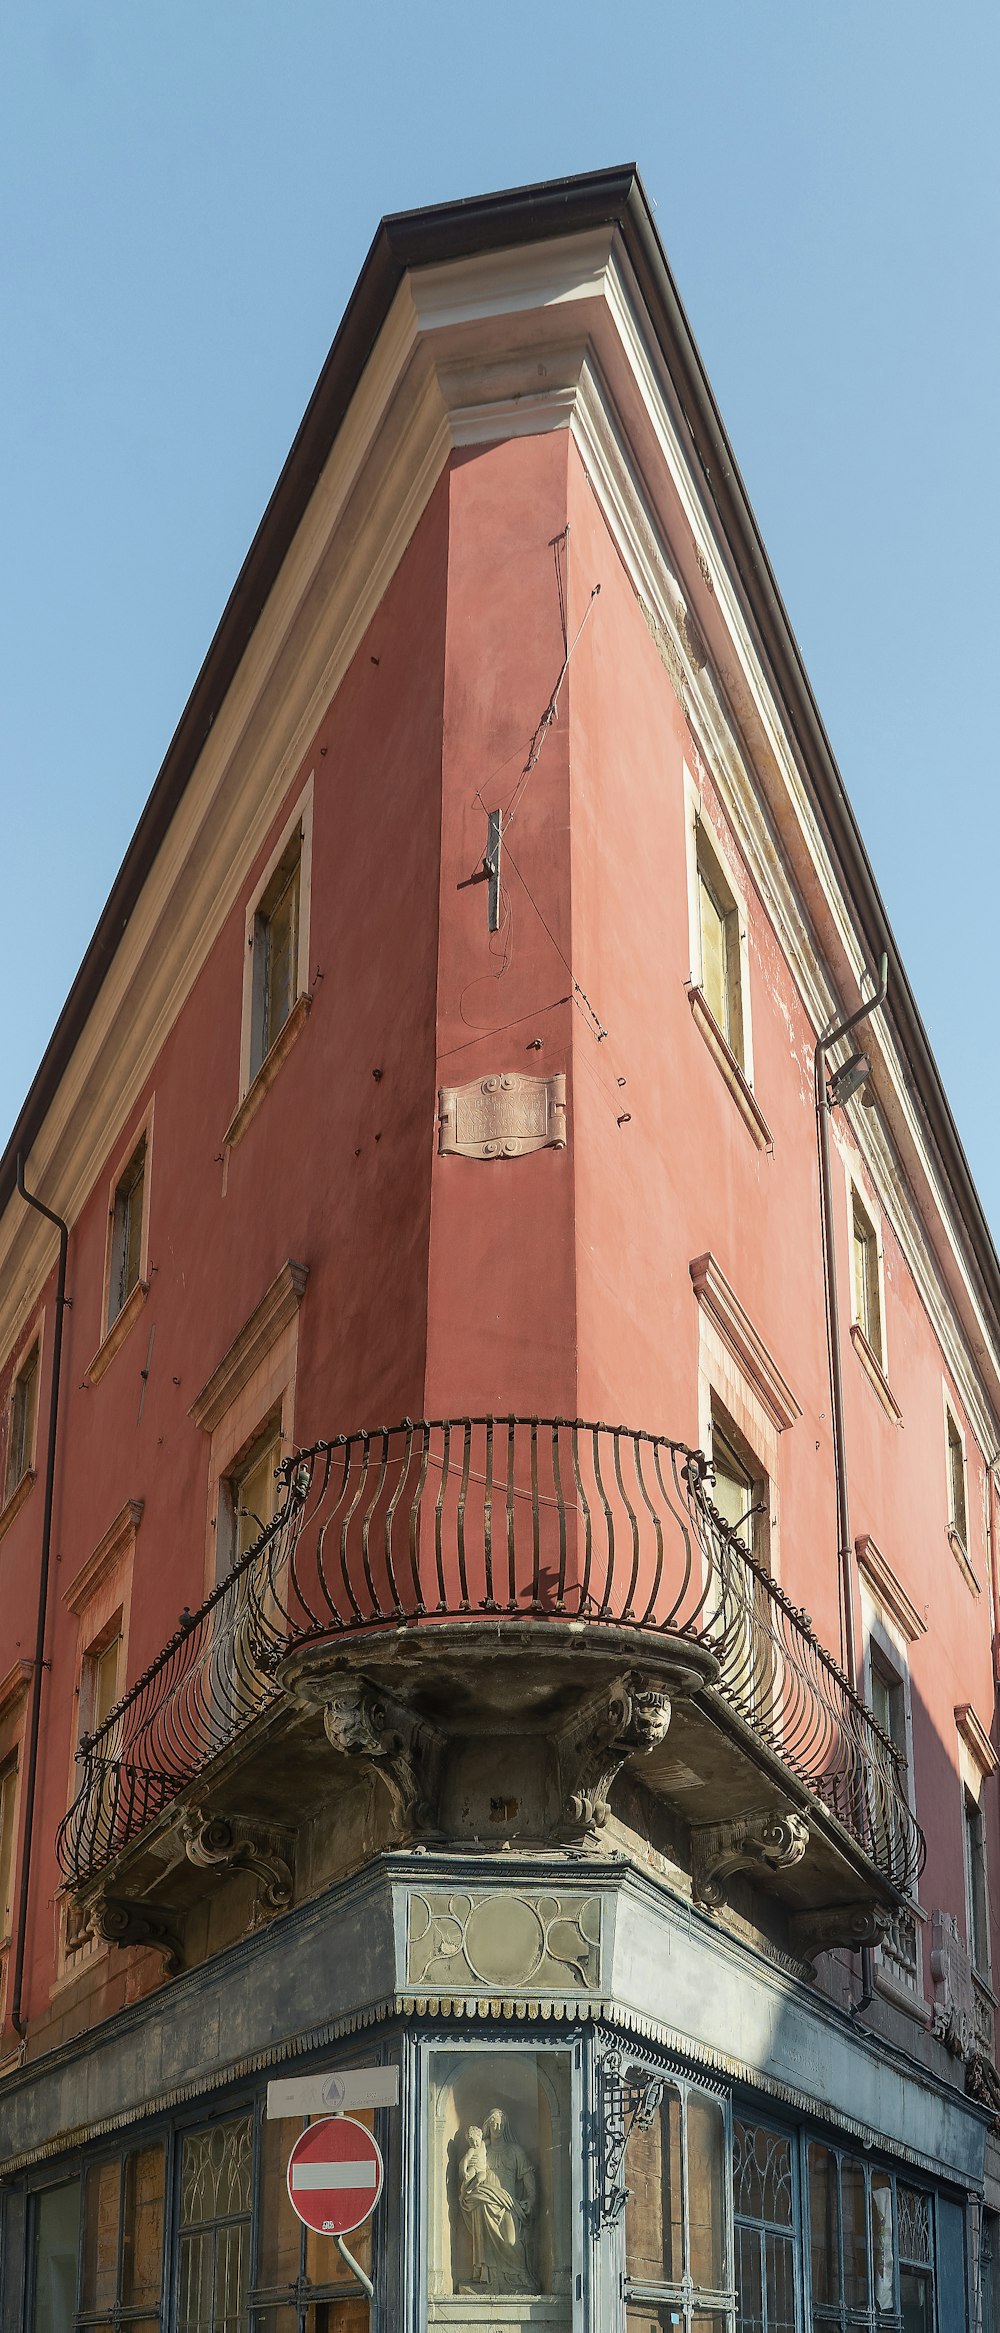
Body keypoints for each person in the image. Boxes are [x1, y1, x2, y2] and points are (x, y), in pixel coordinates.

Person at [458, 2108, 536, 2292]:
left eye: (501, 2123)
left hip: (507, 2202)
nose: (498, 2127)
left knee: (511, 2241)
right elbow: (467, 2167)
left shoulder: (515, 2150)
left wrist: (531, 2199)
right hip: (484, 2198)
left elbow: (527, 2177)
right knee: (485, 2242)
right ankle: (489, 2278)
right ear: (487, 2125)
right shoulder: (481, 2148)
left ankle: (520, 2273)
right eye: (494, 2123)